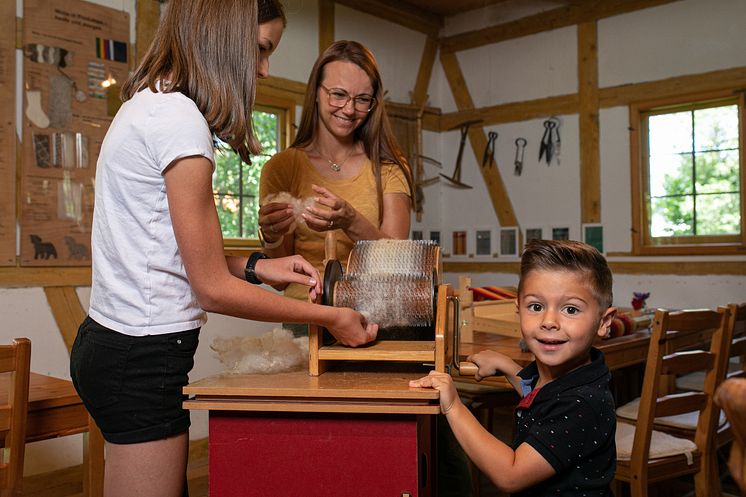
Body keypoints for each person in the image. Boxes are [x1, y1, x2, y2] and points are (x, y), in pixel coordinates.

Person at [69, 2, 378, 497]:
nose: (263, 69)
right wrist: (332, 319)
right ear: (222, 37)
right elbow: (210, 288)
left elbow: (166, 253)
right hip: (142, 357)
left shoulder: (150, 103)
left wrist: (258, 266)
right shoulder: (181, 123)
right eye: (259, 49)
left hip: (113, 344)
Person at [410, 239, 618, 497]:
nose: (549, 321)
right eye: (536, 307)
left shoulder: (582, 402)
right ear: (518, 310)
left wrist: (454, 406)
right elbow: (543, 400)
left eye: (571, 309)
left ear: (604, 321)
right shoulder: (570, 378)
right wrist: (508, 367)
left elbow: (510, 475)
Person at [258, 40, 413, 306]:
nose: (350, 110)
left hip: (372, 316)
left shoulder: (389, 168)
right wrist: (272, 238)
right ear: (316, 92)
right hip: (304, 321)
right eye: (338, 95)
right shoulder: (281, 168)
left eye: (362, 99)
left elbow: (397, 263)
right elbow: (280, 280)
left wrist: (351, 220)